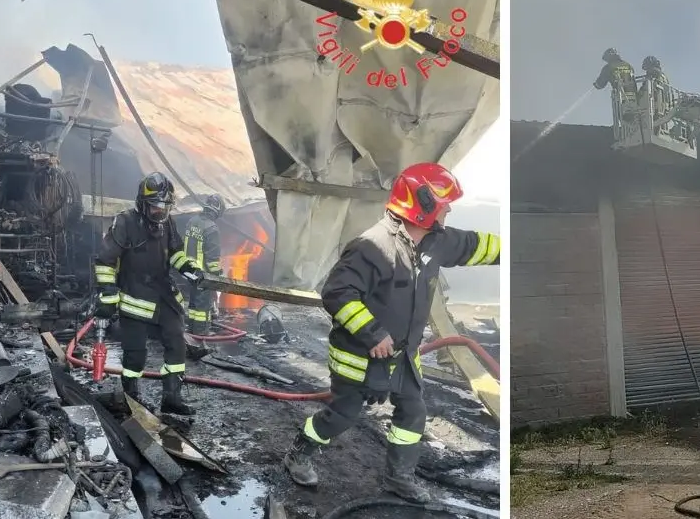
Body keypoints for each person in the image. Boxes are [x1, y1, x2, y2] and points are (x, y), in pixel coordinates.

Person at [281, 162, 502, 502]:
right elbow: (337, 294)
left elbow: (478, 245)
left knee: (413, 412)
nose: (450, 209)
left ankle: (398, 478)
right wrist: (373, 333)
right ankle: (299, 452)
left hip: (403, 356)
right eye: (444, 204)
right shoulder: (371, 247)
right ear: (424, 205)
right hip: (360, 358)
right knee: (343, 414)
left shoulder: (436, 242)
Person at [92, 172, 205, 416]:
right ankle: (131, 398)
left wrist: (189, 268)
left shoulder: (168, 223)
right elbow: (105, 261)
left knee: (176, 341)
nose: (159, 211)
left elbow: (175, 253)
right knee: (135, 353)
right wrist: (108, 295)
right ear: (142, 204)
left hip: (163, 292)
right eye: (154, 206)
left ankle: (172, 398)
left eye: (164, 206)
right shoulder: (124, 222)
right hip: (134, 295)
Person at [183, 194, 226, 335]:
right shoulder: (212, 228)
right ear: (217, 210)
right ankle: (201, 334)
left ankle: (191, 328)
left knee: (193, 303)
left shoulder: (192, 221)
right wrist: (218, 275)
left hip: (189, 271)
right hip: (203, 275)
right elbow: (212, 261)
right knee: (202, 307)